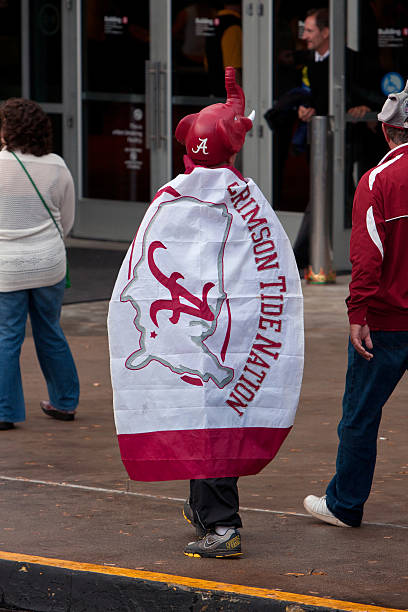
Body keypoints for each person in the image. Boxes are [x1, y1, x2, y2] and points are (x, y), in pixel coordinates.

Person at [108, 68, 303, 559]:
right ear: (233, 149)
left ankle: (223, 526)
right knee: (216, 416)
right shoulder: (247, 200)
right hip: (227, 337)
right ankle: (203, 510)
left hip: (188, 335)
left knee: (210, 420)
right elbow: (273, 278)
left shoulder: (170, 198)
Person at [303, 80, 408, 527]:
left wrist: (357, 313)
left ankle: (345, 504)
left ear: (387, 132)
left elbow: (367, 256)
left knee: (360, 418)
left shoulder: (378, 180)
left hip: (384, 324)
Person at [0, 98, 79, 430]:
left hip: (6, 268)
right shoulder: (57, 166)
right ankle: (64, 402)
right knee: (50, 332)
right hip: (49, 264)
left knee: (7, 336)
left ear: (10, 129)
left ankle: (5, 412)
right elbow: (68, 220)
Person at [293, 7, 373, 270]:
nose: (304, 35)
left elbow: (368, 94)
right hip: (317, 140)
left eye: (309, 30)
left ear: (326, 32)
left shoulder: (353, 61)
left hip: (346, 141)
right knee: (325, 198)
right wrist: (304, 109)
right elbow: (305, 95)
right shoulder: (307, 60)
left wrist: (363, 109)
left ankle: (303, 257)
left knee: (340, 197)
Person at [205, 3, 242, 95]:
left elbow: (207, 62)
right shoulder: (233, 25)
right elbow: (233, 68)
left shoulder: (212, 25)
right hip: (227, 95)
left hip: (214, 90)